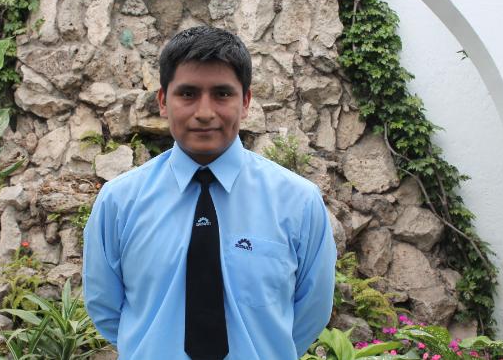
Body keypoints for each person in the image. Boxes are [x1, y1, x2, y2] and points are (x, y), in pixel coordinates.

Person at [83, 26, 336, 360]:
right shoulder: (118, 202)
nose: (204, 112)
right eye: (188, 93)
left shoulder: (298, 203)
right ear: (163, 101)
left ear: (245, 102)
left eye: (222, 94)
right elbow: (104, 307)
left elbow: (312, 311)